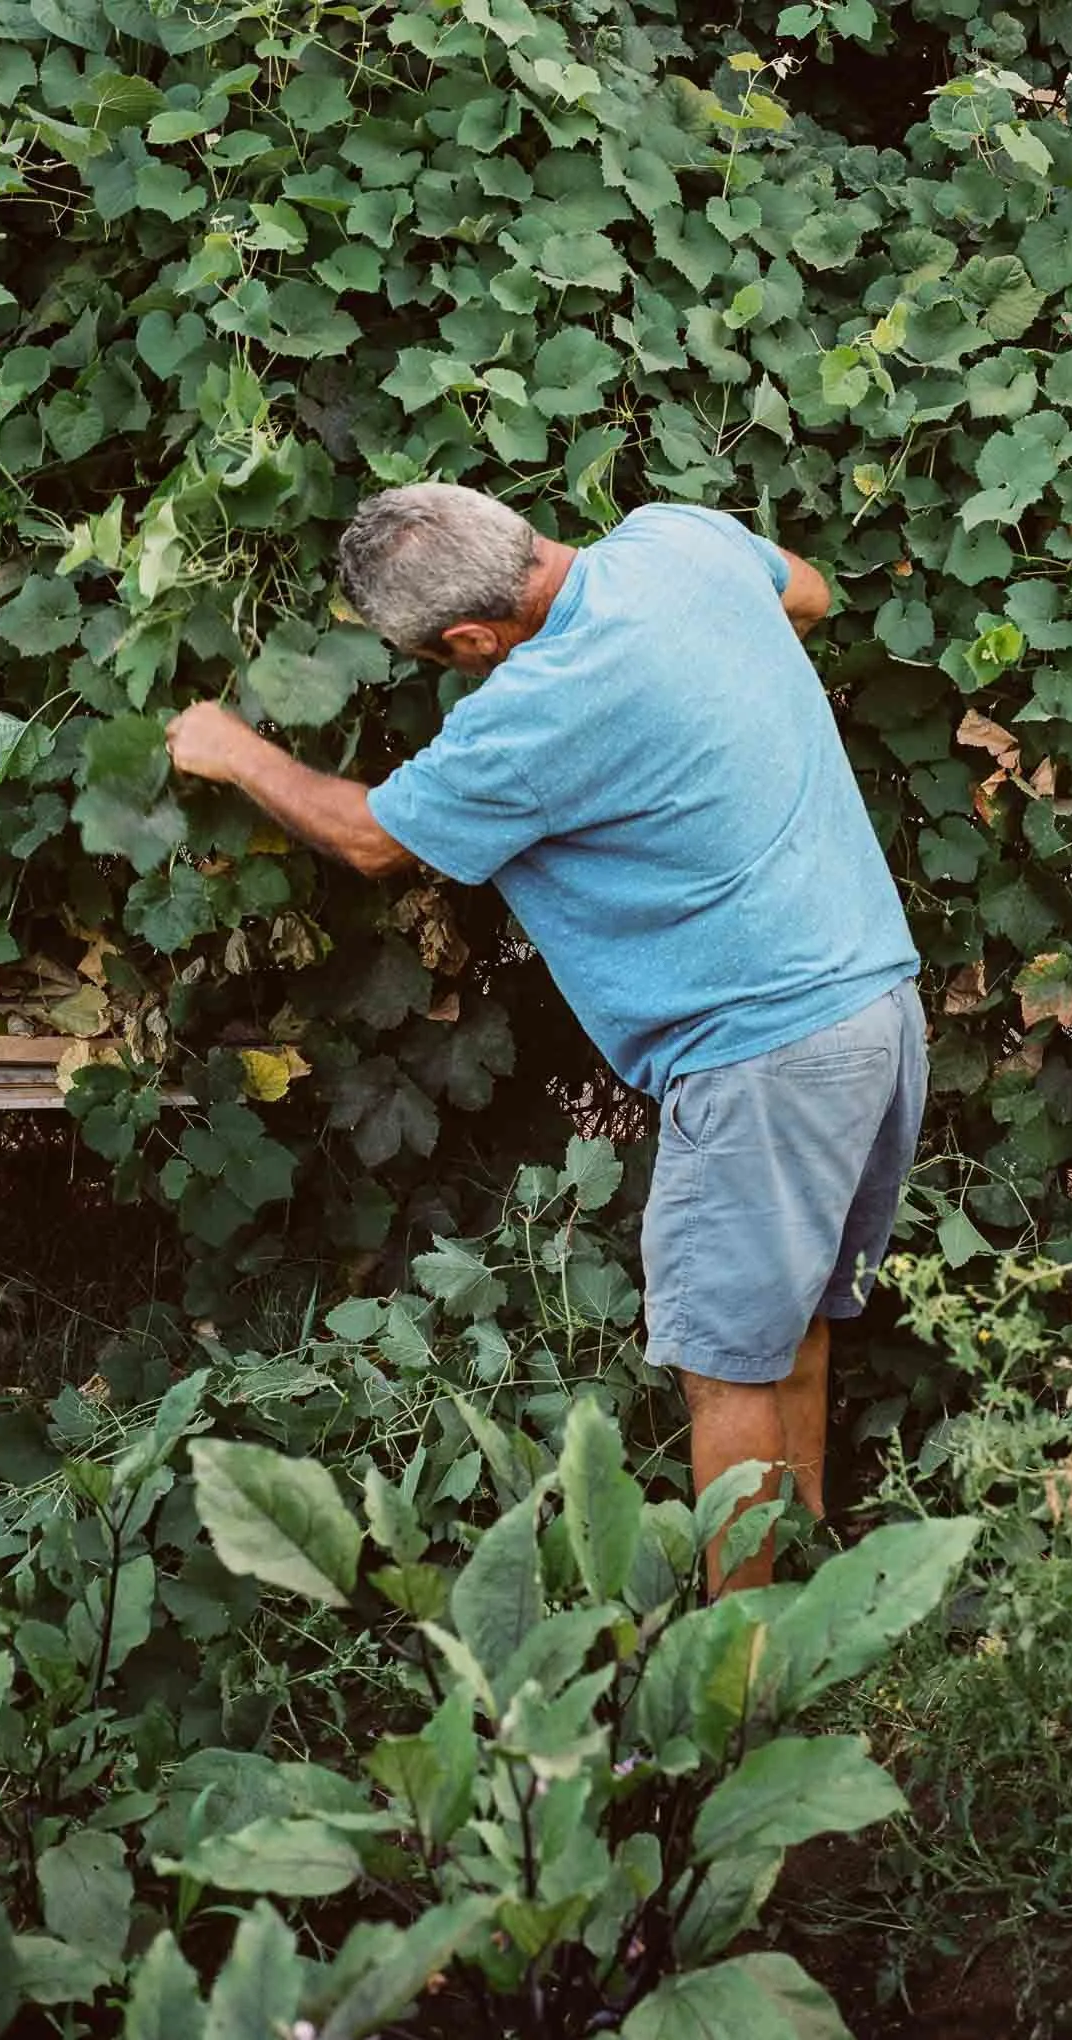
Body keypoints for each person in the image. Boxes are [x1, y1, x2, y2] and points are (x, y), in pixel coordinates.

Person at [166, 484, 925, 1594]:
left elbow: (372, 840)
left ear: (471, 637)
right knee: (790, 1327)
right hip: (871, 999)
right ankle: (816, 1621)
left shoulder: (536, 713)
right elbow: (804, 590)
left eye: (437, 657)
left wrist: (234, 751)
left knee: (725, 1372)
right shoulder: (677, 538)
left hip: (763, 1053)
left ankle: (743, 1683)